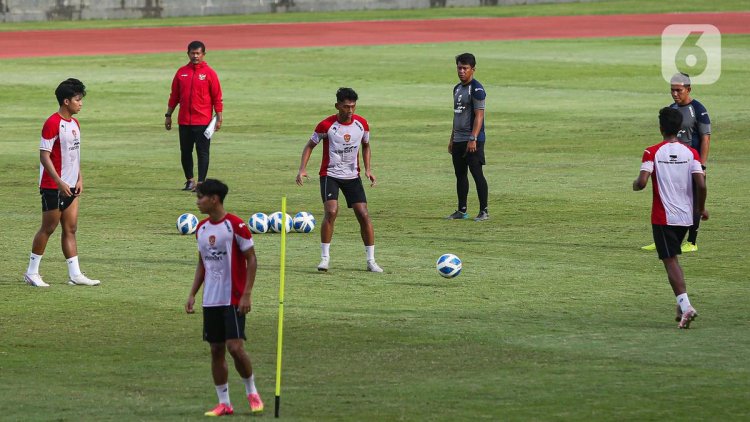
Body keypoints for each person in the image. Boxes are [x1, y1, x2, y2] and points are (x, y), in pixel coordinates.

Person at [185, 179, 264, 416]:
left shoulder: (236, 226)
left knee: (235, 347)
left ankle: (252, 392)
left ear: (214, 199)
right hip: (211, 299)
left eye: (200, 197)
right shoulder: (201, 228)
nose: (197, 202)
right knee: (216, 350)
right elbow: (203, 263)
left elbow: (252, 259)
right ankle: (224, 403)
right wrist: (192, 293)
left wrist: (247, 294)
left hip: (233, 298)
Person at [633, 107, 708, 329]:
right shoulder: (691, 153)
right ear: (680, 128)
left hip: (663, 217)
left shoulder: (652, 152)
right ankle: (680, 304)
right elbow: (701, 183)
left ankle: (686, 307)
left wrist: (636, 185)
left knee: (670, 261)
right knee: (674, 258)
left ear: (660, 128)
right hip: (686, 217)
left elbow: (642, 182)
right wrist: (701, 208)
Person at [295, 87, 383, 273]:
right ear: (337, 106)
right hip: (330, 175)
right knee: (331, 211)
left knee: (363, 214)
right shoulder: (326, 126)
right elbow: (310, 146)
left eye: (352, 106)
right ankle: (324, 258)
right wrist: (302, 169)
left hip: (352, 176)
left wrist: (368, 169)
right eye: (345, 107)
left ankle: (371, 261)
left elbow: (366, 146)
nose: (350, 110)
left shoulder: (362, 124)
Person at [23, 78, 100, 287]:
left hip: (71, 185)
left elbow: (74, 154)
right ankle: (32, 272)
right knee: (48, 228)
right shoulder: (52, 123)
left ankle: (75, 274)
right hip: (53, 185)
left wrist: (79, 178)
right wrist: (58, 181)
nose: (81, 103)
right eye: (77, 99)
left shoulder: (75, 123)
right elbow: (44, 155)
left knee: (71, 228)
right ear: (66, 101)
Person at [642, 73, 711, 252]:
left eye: (678, 90)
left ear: (688, 89)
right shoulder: (671, 109)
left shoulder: (698, 109)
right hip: (672, 162)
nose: (674, 94)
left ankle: (692, 241)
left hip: (691, 162)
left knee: (693, 201)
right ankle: (663, 239)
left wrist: (702, 165)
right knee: (668, 198)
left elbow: (705, 138)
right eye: (672, 90)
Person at [165, 40, 223, 192]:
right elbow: (174, 96)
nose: (195, 56)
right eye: (193, 53)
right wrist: (168, 115)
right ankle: (190, 181)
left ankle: (201, 183)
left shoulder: (210, 73)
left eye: (198, 53)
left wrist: (219, 117)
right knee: (185, 151)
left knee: (202, 152)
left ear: (203, 54)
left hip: (203, 121)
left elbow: (217, 97)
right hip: (184, 121)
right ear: (188, 53)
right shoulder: (181, 72)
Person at [446, 52, 489, 222]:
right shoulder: (457, 88)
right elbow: (456, 115)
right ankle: (462, 210)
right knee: (460, 175)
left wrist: (473, 138)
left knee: (477, 173)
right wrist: (452, 138)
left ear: (473, 69)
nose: (461, 71)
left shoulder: (477, 89)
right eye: (459, 68)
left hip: (473, 140)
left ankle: (484, 210)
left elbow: (479, 116)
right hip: (458, 139)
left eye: (465, 68)